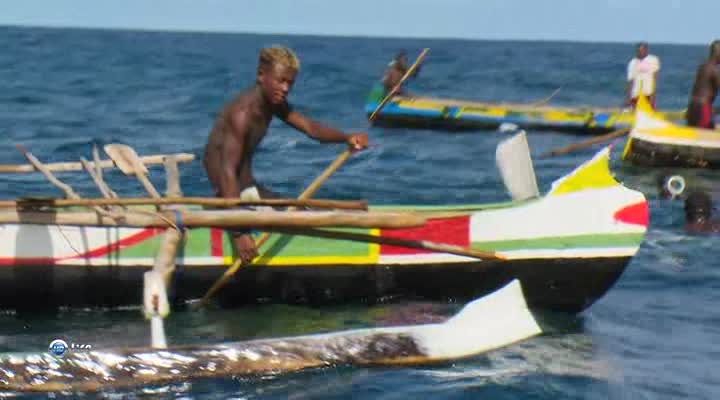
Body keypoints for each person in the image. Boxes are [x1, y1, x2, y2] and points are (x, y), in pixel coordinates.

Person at [203, 46, 369, 265]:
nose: (285, 88)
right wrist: (239, 232)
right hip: (228, 194)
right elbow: (227, 171)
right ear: (261, 75)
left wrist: (346, 137)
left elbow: (310, 128)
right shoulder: (242, 114)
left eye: (290, 83)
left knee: (304, 210)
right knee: (301, 216)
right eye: (281, 81)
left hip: (248, 190)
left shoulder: (272, 103)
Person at [686, 40, 720, 129]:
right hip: (703, 108)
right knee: (706, 134)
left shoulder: (702, 67)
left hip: (692, 106)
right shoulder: (714, 70)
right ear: (718, 53)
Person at [625, 42, 660, 110]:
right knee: (635, 112)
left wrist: (653, 96)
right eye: (638, 51)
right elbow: (630, 80)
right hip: (635, 94)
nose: (640, 52)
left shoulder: (653, 60)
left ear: (646, 50)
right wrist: (628, 97)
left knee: (649, 111)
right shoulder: (633, 62)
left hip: (648, 93)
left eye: (642, 50)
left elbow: (655, 78)